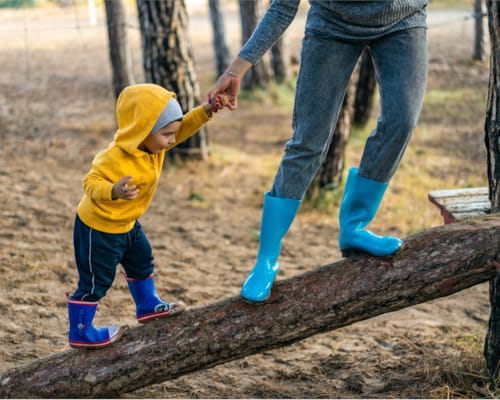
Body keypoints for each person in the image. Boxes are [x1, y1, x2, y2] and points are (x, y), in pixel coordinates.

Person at [208, 1, 428, 303]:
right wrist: (237, 69)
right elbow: (282, 6)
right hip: (332, 24)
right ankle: (266, 259)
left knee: (401, 122)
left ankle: (355, 226)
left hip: (403, 18)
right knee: (307, 143)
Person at [67, 83, 227, 349]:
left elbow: (183, 127)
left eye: (172, 134)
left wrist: (207, 110)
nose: (172, 140)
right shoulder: (114, 157)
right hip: (99, 228)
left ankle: (147, 305)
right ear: (142, 130)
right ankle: (81, 331)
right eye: (166, 134)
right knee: (97, 280)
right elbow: (90, 182)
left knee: (142, 260)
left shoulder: (155, 145)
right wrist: (113, 190)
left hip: (128, 224)